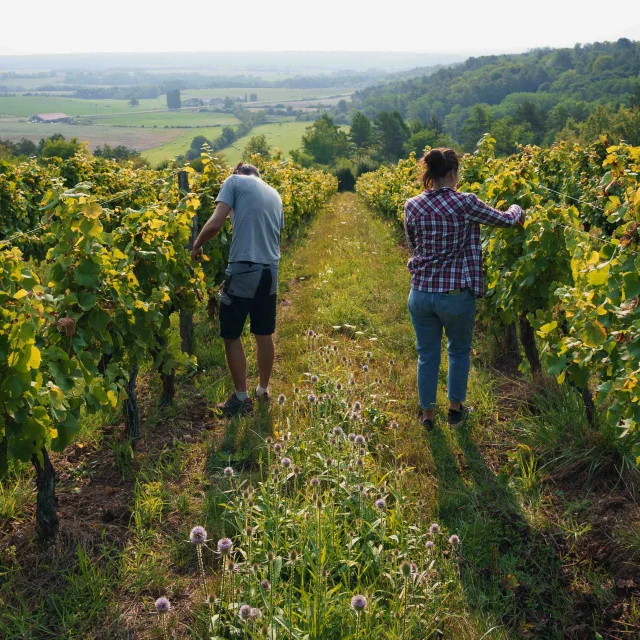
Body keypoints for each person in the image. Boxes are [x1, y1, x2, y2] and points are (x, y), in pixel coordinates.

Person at [404, 148, 524, 431]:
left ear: (430, 174)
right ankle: (455, 412)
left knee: (426, 354)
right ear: (453, 174)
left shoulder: (412, 205)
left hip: (420, 293)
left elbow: (413, 245)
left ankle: (427, 416)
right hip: (456, 294)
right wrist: (518, 208)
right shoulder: (465, 203)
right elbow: (506, 220)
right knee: (458, 351)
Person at [192, 162, 284, 417]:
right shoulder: (274, 194)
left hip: (244, 267)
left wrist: (197, 245)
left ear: (238, 172)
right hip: (271, 270)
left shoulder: (234, 182)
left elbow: (215, 222)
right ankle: (263, 390)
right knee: (264, 333)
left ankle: (241, 399)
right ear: (258, 174)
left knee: (231, 333)